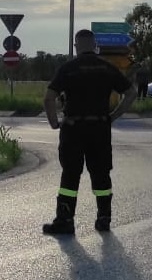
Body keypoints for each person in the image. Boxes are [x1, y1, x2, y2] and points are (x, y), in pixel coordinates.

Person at [42, 29, 137, 235]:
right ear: (94, 46)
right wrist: (113, 115)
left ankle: (65, 220)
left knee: (70, 175)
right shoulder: (107, 68)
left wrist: (54, 123)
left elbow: (49, 98)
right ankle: (104, 218)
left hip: (73, 129)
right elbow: (131, 93)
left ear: (77, 46)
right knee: (101, 173)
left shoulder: (68, 68)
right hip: (99, 128)